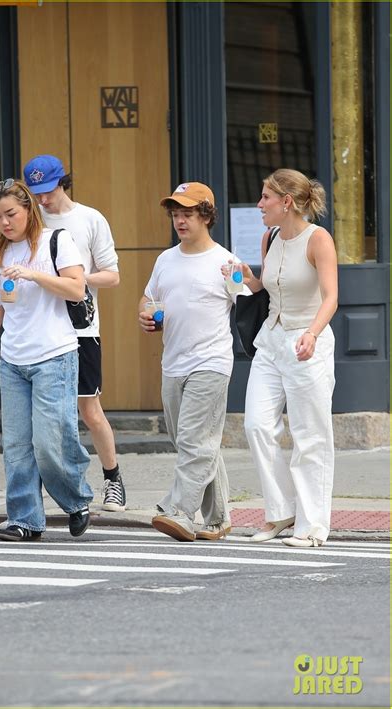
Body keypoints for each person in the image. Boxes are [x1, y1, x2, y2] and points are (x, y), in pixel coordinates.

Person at [0, 179, 93, 542]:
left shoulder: (57, 241)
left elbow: (76, 288)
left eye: (10, 214)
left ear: (28, 210)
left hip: (55, 355)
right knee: (18, 445)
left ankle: (76, 498)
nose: (4, 223)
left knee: (50, 441)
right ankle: (25, 519)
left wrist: (34, 274)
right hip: (13, 361)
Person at [225, 168, 337, 548]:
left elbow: (332, 297)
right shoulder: (269, 236)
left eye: (266, 198)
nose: (259, 204)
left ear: (286, 202)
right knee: (257, 425)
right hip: (271, 341)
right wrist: (245, 279)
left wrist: (312, 334)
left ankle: (313, 526)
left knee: (310, 435)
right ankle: (280, 512)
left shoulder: (318, 239)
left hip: (308, 341)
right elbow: (267, 290)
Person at [138, 182, 249, 542]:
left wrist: (244, 279)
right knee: (193, 442)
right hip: (173, 362)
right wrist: (145, 314)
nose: (180, 221)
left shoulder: (225, 262)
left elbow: (249, 304)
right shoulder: (165, 260)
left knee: (194, 439)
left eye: (187, 213)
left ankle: (180, 511)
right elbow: (148, 298)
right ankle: (218, 519)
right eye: (175, 214)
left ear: (206, 215)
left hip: (212, 361)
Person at [23, 155, 126, 513]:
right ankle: (44, 492)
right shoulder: (28, 221)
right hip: (39, 328)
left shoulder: (89, 219)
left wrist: (75, 280)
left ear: (62, 182)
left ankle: (113, 478)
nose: (43, 200)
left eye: (48, 191)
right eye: (36, 193)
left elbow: (112, 275)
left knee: (88, 408)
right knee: (44, 417)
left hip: (81, 326)